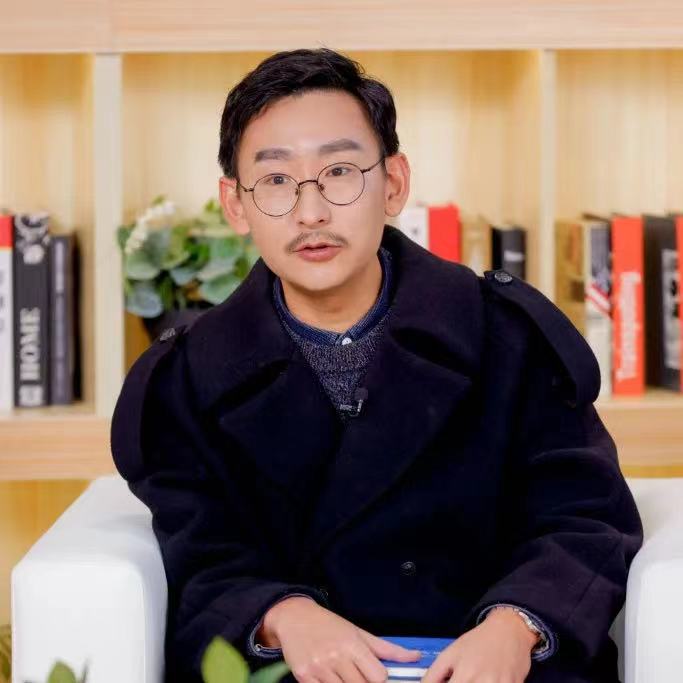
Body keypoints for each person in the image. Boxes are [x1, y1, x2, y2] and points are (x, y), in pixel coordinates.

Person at [110, 47, 643, 683]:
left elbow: (584, 517)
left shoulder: (508, 336)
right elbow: (201, 557)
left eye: (339, 172)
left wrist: (515, 625)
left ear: (393, 183)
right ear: (236, 203)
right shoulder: (187, 378)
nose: (310, 212)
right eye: (276, 180)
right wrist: (284, 616)